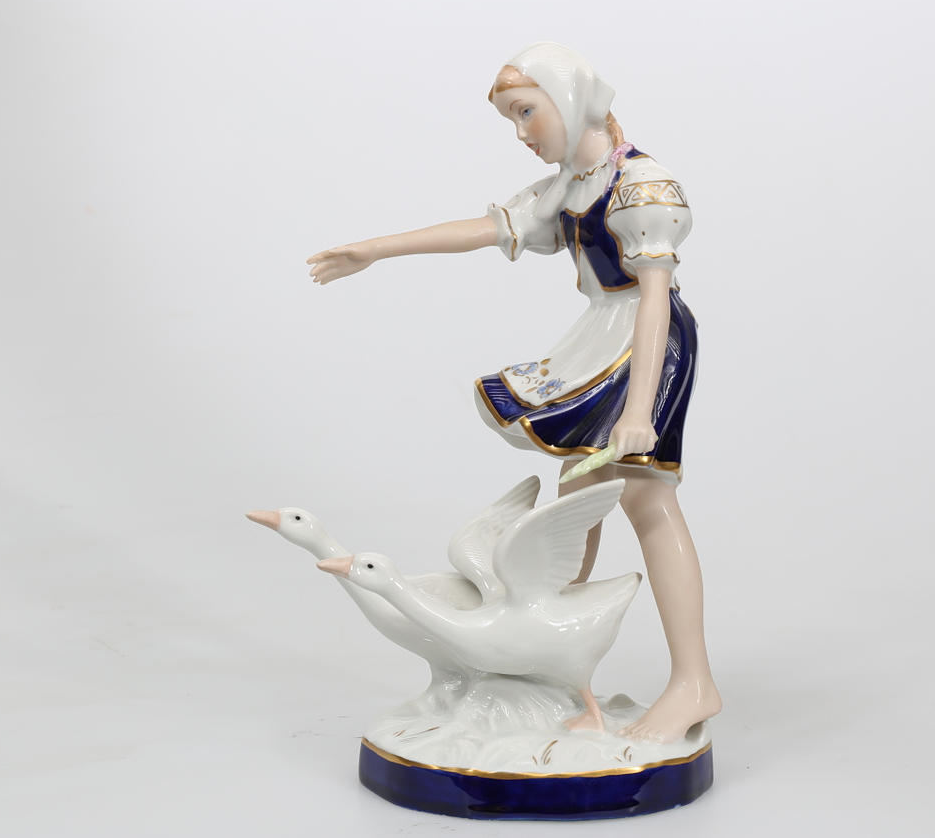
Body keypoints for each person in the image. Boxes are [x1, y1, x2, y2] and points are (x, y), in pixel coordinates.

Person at [306, 42, 721, 743]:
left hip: (646, 345)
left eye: (527, 112)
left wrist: (640, 410)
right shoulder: (570, 185)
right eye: (512, 119)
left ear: (570, 100)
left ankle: (693, 683)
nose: (522, 132)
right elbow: (486, 228)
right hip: (602, 335)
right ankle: (547, 666)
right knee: (577, 497)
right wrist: (374, 248)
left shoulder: (642, 186)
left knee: (646, 498)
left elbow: (655, 297)